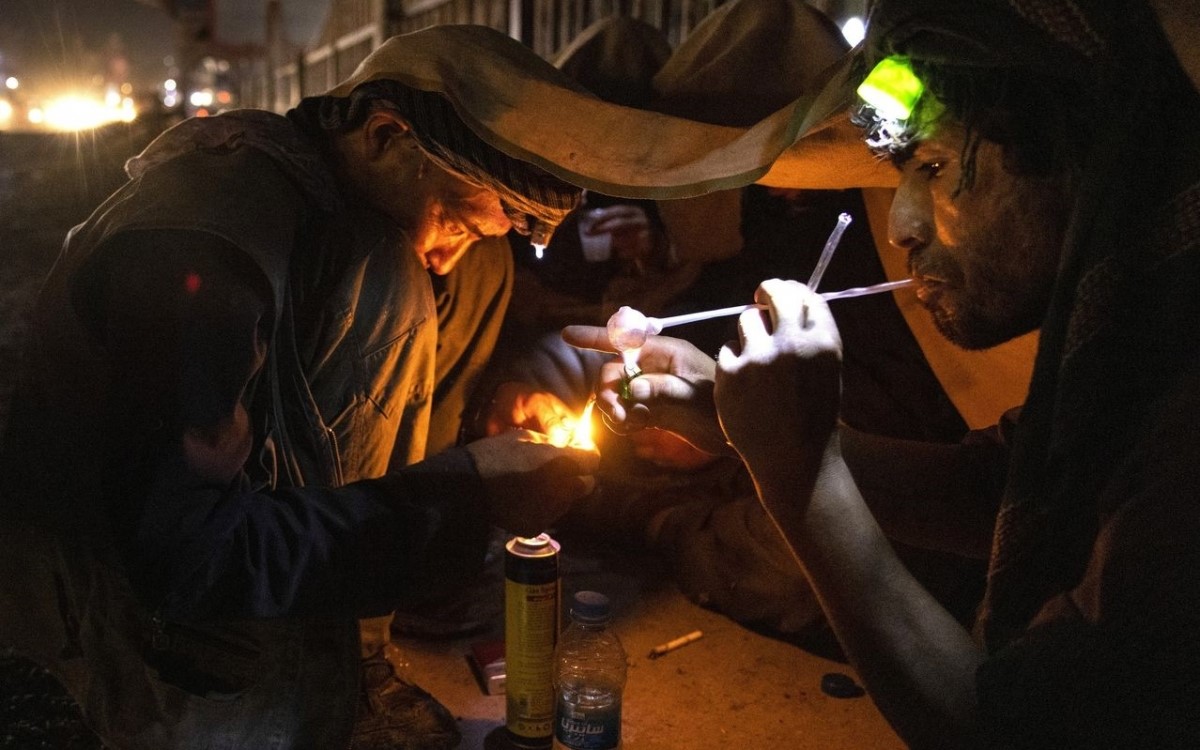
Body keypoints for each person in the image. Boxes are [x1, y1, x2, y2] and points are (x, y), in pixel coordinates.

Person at [0, 23, 779, 750]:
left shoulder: (349, 218)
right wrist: (467, 495)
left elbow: (352, 404)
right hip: (130, 625)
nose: (450, 253)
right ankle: (311, 686)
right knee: (394, 280)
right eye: (458, 218)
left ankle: (359, 654)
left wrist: (498, 409)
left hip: (243, 563)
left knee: (466, 270)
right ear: (383, 136)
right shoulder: (204, 255)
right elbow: (183, 555)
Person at [564, 0, 1200, 746]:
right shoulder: (1138, 343)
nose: (901, 226)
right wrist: (730, 418)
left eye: (932, 165)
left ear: (1075, 145)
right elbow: (993, 490)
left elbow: (1011, 727)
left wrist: (805, 476)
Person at [492, 0, 997, 637]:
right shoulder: (739, 236)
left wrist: (689, 483)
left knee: (784, 560)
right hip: (756, 467)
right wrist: (540, 378)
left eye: (932, 168)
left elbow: (895, 491)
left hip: (859, 519)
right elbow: (646, 339)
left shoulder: (905, 260)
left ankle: (657, 514)